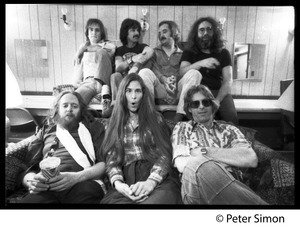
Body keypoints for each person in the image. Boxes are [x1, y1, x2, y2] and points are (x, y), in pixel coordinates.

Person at [171, 84, 268, 205]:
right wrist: (229, 159)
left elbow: (250, 158)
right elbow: (181, 164)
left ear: (212, 105)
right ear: (189, 108)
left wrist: (204, 151)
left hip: (231, 183)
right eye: (195, 104)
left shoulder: (229, 129)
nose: (201, 107)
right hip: (194, 188)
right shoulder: (182, 128)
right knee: (195, 164)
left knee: (197, 161)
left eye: (205, 102)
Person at [100, 73, 182, 204]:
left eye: (137, 91)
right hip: (126, 178)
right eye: (128, 91)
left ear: (143, 94)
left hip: (156, 174)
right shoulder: (112, 123)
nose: (133, 97)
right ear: (122, 94)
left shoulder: (156, 119)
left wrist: (151, 181)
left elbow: (165, 155)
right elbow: (112, 160)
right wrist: (118, 184)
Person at [18, 91, 107, 204]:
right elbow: (28, 168)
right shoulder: (46, 130)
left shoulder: (94, 128)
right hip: (47, 187)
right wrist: (31, 182)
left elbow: (104, 164)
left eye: (74, 106)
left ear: (81, 111)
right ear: (57, 109)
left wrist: (76, 177)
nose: (69, 109)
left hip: (82, 183)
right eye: (65, 105)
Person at [177, 16, 238, 125]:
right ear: (196, 34)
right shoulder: (189, 52)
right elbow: (182, 72)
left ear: (214, 33)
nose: (206, 33)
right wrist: (201, 63)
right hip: (197, 92)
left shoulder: (224, 53)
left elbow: (228, 81)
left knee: (231, 116)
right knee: (193, 120)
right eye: (202, 30)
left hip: (218, 91)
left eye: (209, 29)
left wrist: (217, 101)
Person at [139, 20, 201, 113]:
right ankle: (149, 114)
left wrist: (174, 80)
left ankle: (181, 114)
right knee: (144, 72)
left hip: (178, 89)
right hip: (160, 89)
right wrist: (164, 79)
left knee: (195, 73)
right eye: (159, 33)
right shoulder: (154, 52)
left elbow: (184, 72)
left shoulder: (183, 54)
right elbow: (153, 70)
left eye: (164, 32)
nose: (161, 35)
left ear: (174, 33)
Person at [109, 18, 154, 116]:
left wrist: (136, 66)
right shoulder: (120, 50)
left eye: (138, 30)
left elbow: (150, 51)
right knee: (115, 76)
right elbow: (118, 67)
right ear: (125, 33)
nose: (137, 33)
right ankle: (117, 110)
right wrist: (133, 59)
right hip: (124, 83)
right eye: (133, 30)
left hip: (138, 81)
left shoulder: (142, 47)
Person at [73, 18, 116, 116]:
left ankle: (105, 95)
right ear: (87, 33)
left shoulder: (108, 45)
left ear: (101, 33)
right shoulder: (82, 49)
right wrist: (77, 84)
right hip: (88, 83)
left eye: (97, 30)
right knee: (75, 100)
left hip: (103, 83)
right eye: (91, 29)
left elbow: (109, 50)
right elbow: (78, 68)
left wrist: (85, 48)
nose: (94, 32)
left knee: (102, 52)